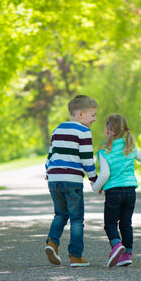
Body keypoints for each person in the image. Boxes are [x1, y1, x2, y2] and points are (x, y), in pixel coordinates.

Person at [91, 113, 141, 267]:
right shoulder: (129, 146)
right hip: (130, 192)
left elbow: (105, 174)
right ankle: (127, 254)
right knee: (126, 224)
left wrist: (96, 187)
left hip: (113, 193)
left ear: (108, 129)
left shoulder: (104, 150)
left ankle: (116, 244)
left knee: (110, 224)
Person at [44, 95, 99, 267]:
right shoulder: (83, 131)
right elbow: (87, 159)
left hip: (54, 179)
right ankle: (75, 256)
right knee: (76, 219)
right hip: (72, 180)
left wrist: (49, 171)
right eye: (93, 115)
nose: (94, 119)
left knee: (60, 214)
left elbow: (50, 155)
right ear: (81, 113)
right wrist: (94, 179)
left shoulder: (57, 129)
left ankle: (52, 243)